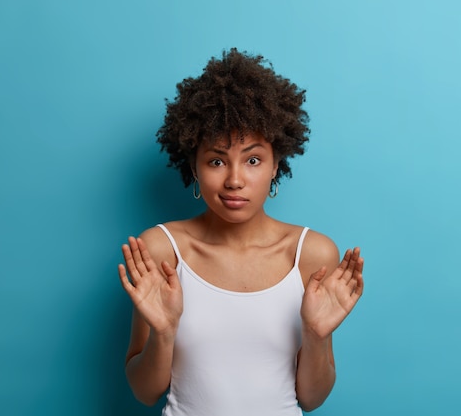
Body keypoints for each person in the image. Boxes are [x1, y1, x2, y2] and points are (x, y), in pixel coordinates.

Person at [118, 48, 364, 416]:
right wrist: (164, 333)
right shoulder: (162, 251)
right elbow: (144, 392)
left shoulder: (312, 253)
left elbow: (312, 399)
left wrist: (316, 335)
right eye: (217, 161)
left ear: (275, 164)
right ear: (194, 167)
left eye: (252, 160)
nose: (235, 180)